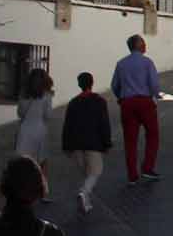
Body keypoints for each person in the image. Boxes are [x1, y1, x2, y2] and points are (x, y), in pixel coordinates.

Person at [110, 34, 162, 184]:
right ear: (139, 46)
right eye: (144, 43)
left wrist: (121, 97)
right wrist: (155, 95)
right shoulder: (147, 63)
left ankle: (132, 175)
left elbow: (115, 85)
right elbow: (154, 84)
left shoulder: (121, 64)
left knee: (130, 140)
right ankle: (147, 167)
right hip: (145, 102)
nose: (146, 45)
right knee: (152, 135)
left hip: (127, 103)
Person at [60, 71, 114, 214]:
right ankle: (84, 193)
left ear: (79, 84)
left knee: (86, 174)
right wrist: (107, 143)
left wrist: (66, 145)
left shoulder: (73, 103)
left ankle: (86, 201)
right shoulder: (99, 101)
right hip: (93, 143)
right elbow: (104, 123)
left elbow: (67, 125)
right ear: (92, 83)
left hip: (76, 143)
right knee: (95, 172)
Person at [14, 65, 53, 168]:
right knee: (41, 161)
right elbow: (48, 115)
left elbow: (20, 113)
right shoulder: (47, 96)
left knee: (22, 161)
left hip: (24, 130)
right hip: (40, 130)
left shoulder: (23, 94)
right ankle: (40, 182)